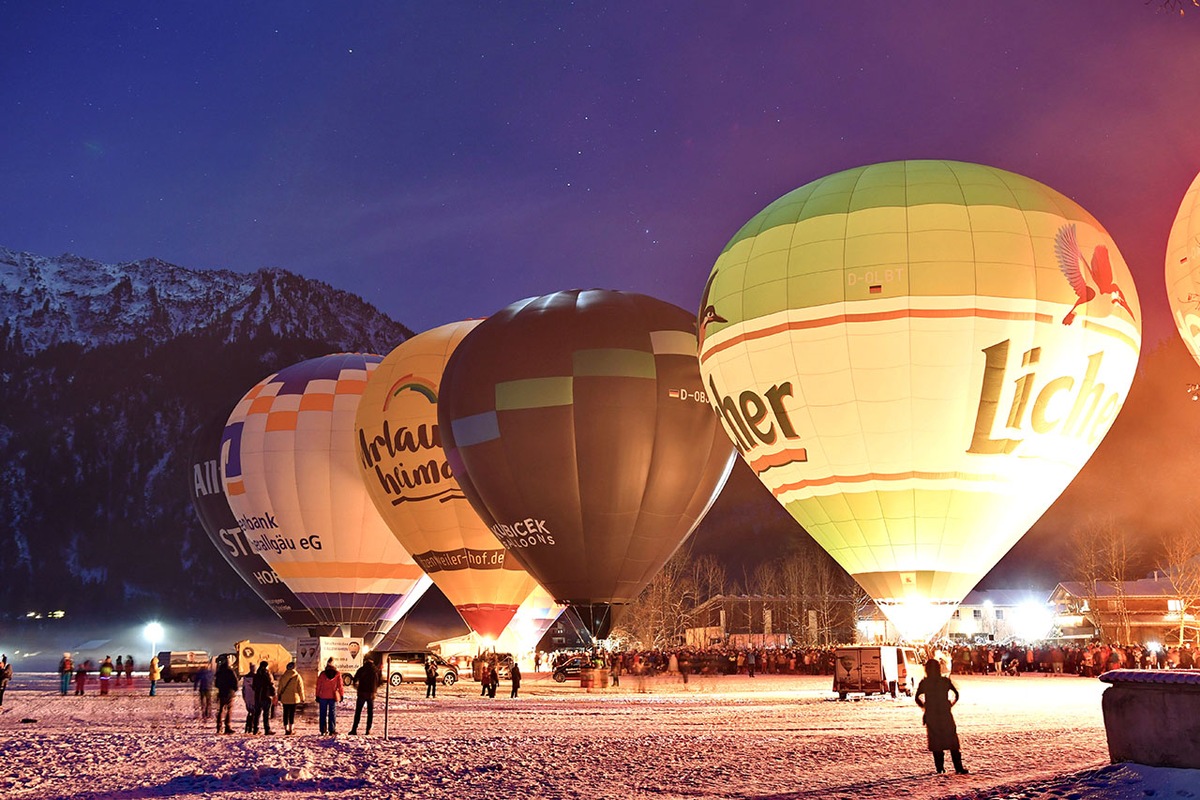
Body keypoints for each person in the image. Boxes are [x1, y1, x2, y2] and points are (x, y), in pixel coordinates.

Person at [915, 658, 968, 775]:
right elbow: (956, 694)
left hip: (932, 715)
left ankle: (940, 768)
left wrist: (925, 707)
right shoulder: (944, 681)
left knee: (936, 743)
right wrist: (950, 704)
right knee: (952, 741)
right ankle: (958, 767)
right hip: (945, 714)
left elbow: (917, 697)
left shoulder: (925, 683)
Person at [349, 656, 381, 735]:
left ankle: (354, 729)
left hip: (362, 693)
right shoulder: (376, 670)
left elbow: (355, 680)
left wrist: (357, 687)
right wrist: (375, 689)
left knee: (358, 712)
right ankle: (368, 729)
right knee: (370, 712)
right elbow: (380, 682)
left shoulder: (361, 669)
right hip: (371, 693)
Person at [316, 659, 344, 736]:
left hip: (323, 696)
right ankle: (332, 729)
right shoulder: (337, 674)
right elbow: (340, 686)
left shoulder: (322, 674)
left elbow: (318, 686)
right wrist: (341, 695)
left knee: (322, 713)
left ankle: (323, 730)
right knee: (332, 713)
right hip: (332, 696)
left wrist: (317, 695)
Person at [277, 661, 305, 735]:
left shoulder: (283, 676)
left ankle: (286, 729)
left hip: (285, 698)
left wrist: (278, 695)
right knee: (292, 714)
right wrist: (302, 698)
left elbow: (280, 688)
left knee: (285, 713)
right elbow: (300, 688)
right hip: (294, 698)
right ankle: (291, 729)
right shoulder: (297, 676)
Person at [214, 655, 238, 734]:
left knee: (221, 710)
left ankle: (219, 727)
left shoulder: (219, 672)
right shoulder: (231, 672)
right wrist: (234, 690)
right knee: (229, 710)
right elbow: (235, 682)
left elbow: (216, 684)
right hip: (230, 693)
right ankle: (227, 727)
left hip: (222, 693)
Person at [251, 660, 276, 735]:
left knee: (257, 713)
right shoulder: (267, 674)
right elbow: (271, 684)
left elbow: (253, 686)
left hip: (258, 696)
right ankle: (267, 729)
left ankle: (255, 729)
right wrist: (273, 693)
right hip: (266, 696)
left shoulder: (256, 675)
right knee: (266, 714)